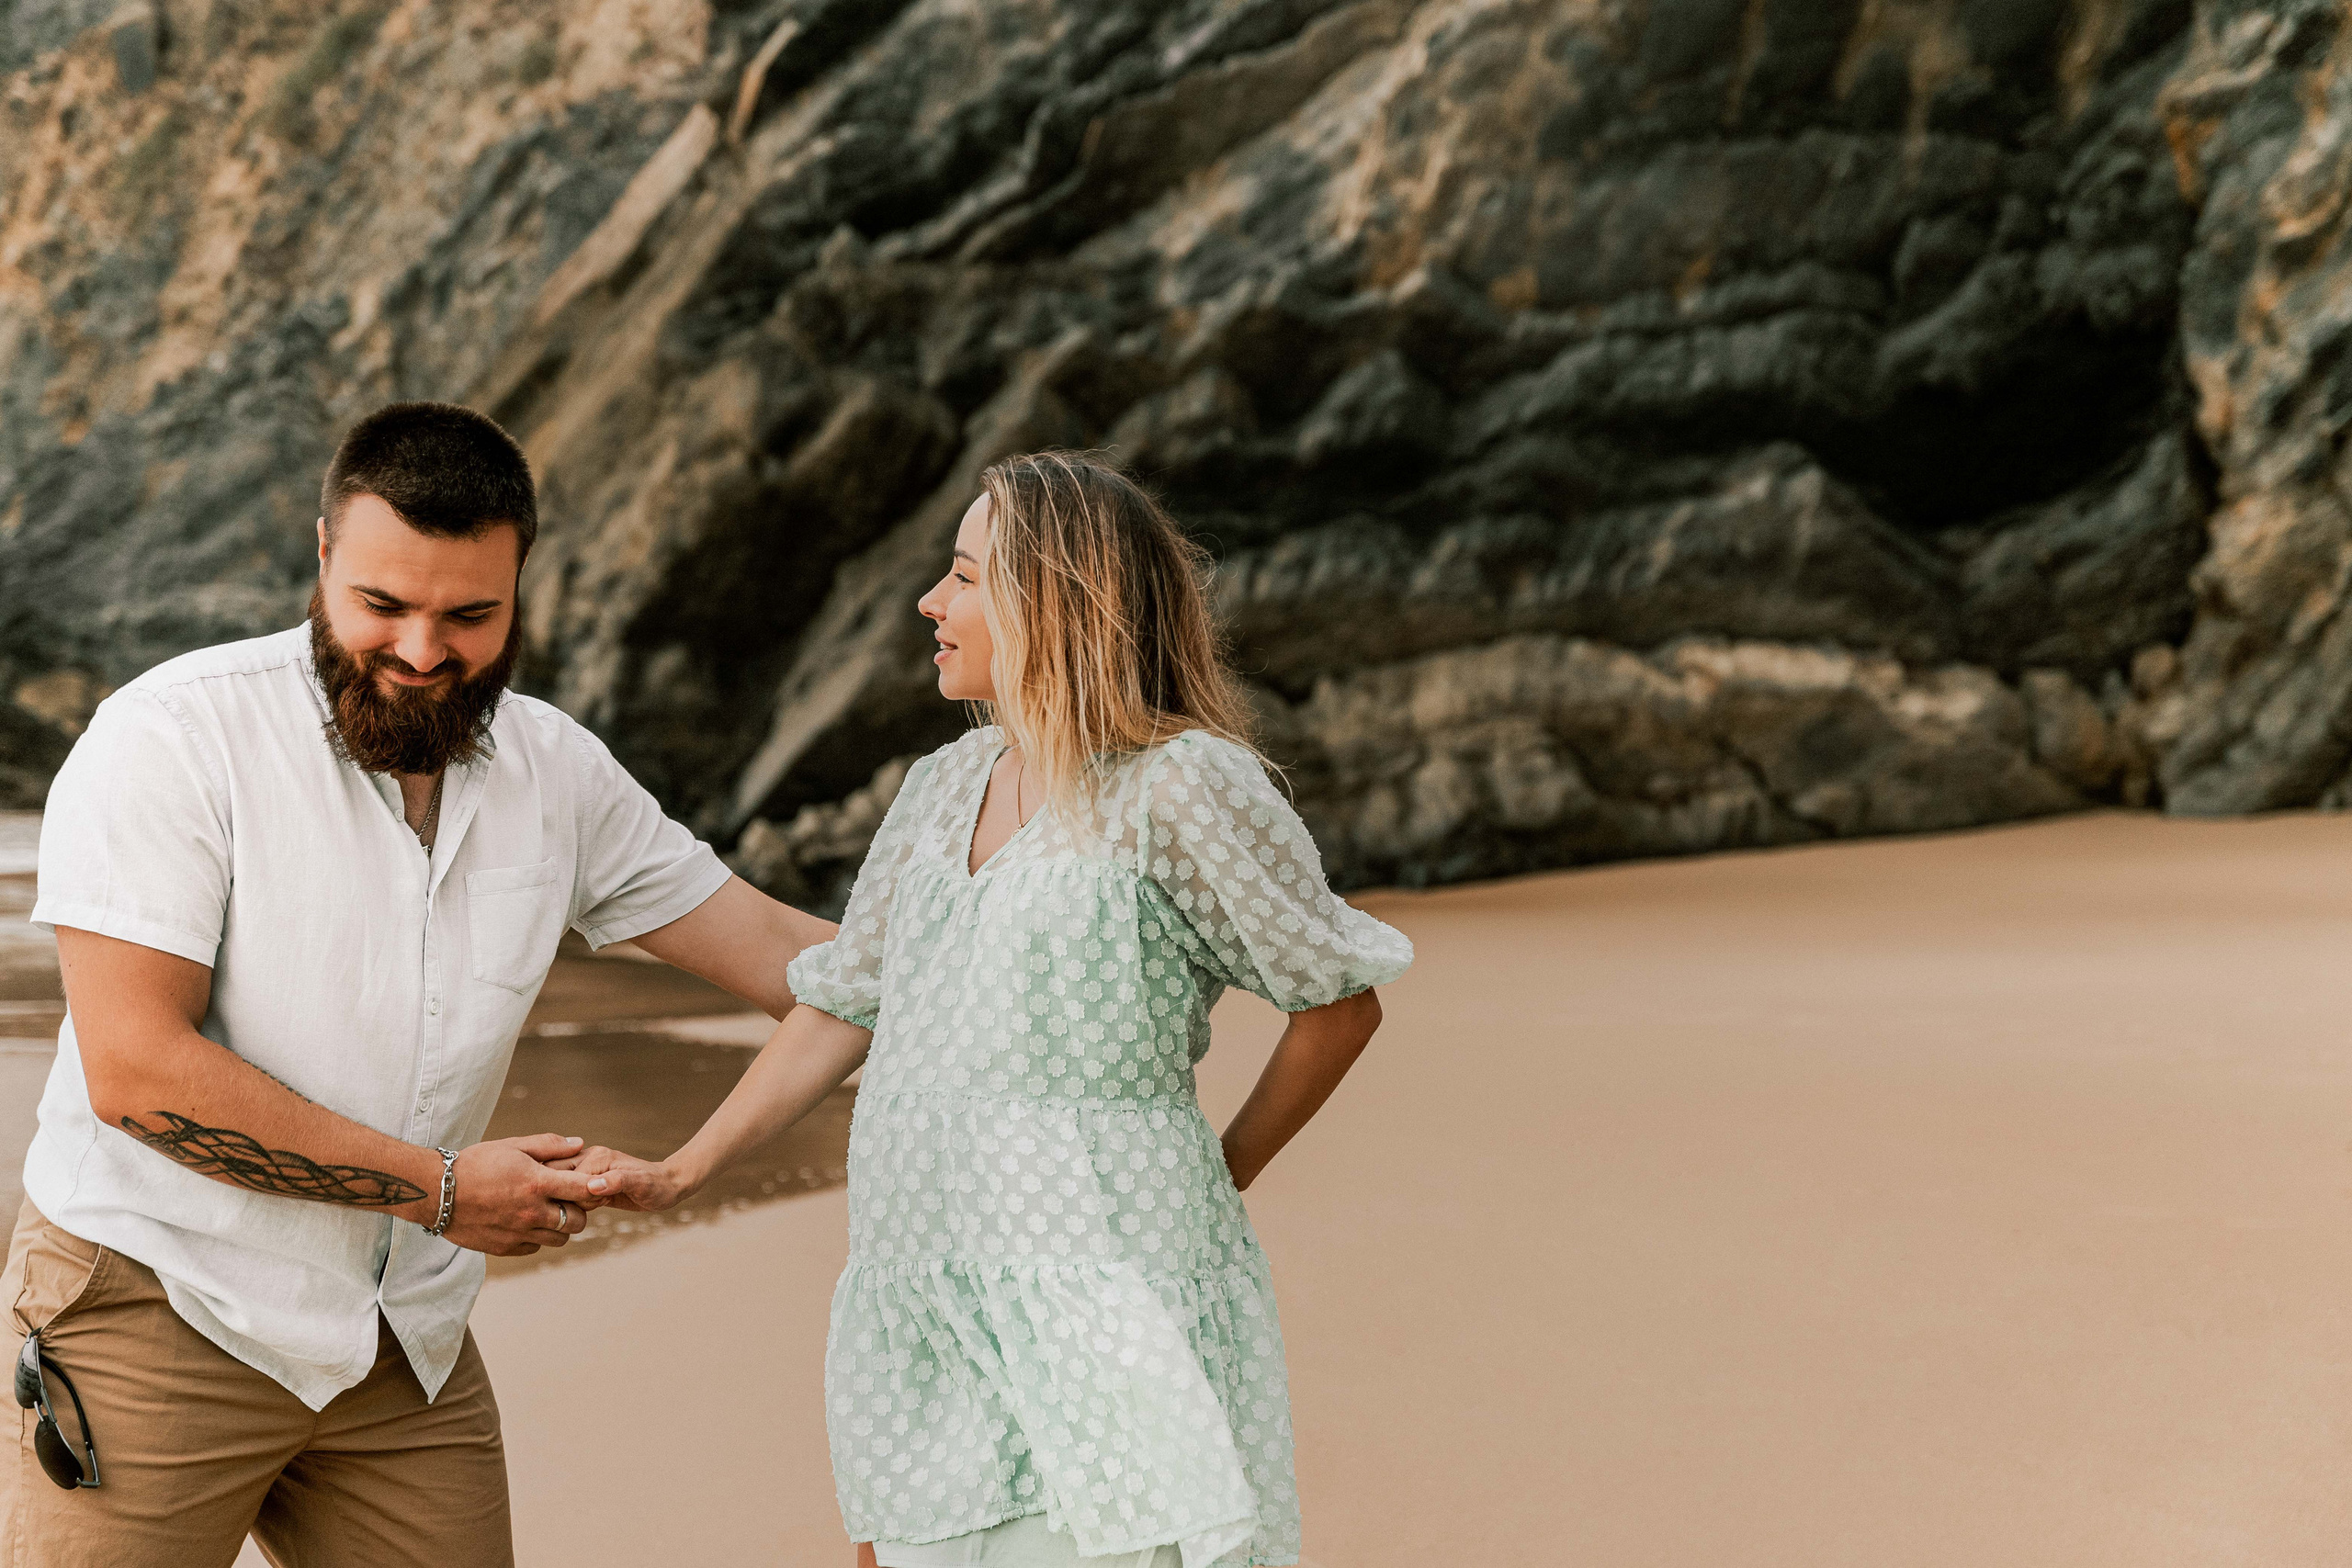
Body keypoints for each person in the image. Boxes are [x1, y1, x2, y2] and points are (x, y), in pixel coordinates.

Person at [3, 402, 833, 1568]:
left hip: (404, 1345)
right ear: (323, 556)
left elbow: (792, 958)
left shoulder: (559, 772)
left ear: (521, 588)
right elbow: (138, 1072)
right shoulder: (172, 737)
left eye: (469, 616)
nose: (424, 651)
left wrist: (1018, 964)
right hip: (157, 1305)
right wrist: (439, 1193)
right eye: (382, 606)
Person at [569, 451, 1413, 1567]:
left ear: (1054, 602)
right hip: (923, 1289)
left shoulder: (1183, 783)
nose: (931, 601)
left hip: (1101, 1286)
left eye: (964, 577)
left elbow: (1335, 1001)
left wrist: (1223, 1173)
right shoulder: (939, 787)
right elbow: (846, 1002)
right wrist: (682, 1170)